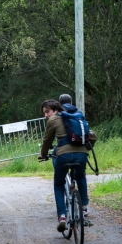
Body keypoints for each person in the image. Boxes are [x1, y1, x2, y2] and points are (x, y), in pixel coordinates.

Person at [39, 98, 89, 233]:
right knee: (81, 177)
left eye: (47, 112)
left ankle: (62, 216)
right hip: (82, 154)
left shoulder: (53, 120)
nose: (46, 115)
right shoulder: (77, 116)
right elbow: (92, 135)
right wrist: (85, 148)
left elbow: (47, 140)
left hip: (63, 154)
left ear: (55, 110)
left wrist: (43, 154)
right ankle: (84, 209)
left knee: (58, 184)